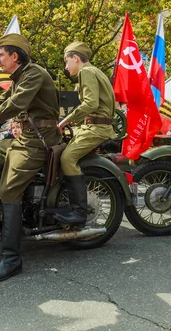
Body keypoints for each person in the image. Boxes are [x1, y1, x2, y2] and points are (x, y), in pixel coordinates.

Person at [0, 33, 61, 284]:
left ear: (14, 56)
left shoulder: (33, 74)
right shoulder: (21, 76)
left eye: (0, 54)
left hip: (38, 141)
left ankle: (11, 258)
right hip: (23, 138)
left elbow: (17, 104)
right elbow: (0, 101)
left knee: (8, 190)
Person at [55, 42, 116, 225]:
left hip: (96, 127)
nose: (66, 67)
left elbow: (90, 104)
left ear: (76, 58)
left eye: (67, 61)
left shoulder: (86, 72)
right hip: (96, 125)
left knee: (66, 159)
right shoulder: (95, 71)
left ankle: (79, 212)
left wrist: (65, 121)